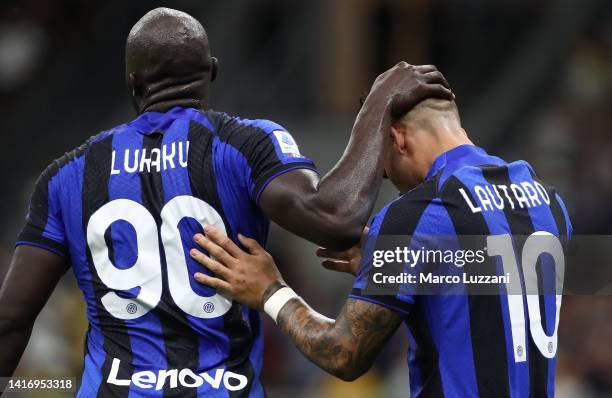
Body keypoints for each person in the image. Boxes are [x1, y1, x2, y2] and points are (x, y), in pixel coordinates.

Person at [0, 6, 453, 398]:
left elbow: (11, 318)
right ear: (212, 70)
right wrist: (376, 106)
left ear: (134, 83)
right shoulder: (247, 145)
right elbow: (335, 217)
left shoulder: (66, 176)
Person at [190, 97, 573, 398]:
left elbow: (343, 353)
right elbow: (494, 283)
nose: (388, 176)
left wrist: (270, 291)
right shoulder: (548, 202)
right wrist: (406, 270)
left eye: (384, 166)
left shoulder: (418, 214)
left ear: (396, 138)